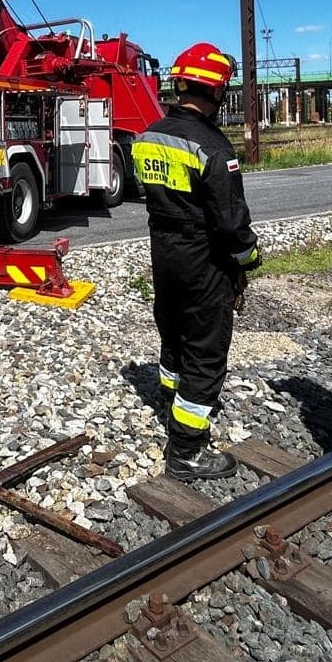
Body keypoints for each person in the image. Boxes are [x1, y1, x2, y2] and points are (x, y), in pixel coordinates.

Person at [133, 42, 260, 481]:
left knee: (173, 330)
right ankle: (187, 451)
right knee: (205, 348)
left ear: (180, 84)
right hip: (204, 256)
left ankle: (172, 399)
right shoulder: (213, 145)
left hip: (164, 251)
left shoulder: (149, 136)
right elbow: (230, 220)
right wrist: (249, 258)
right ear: (218, 91)